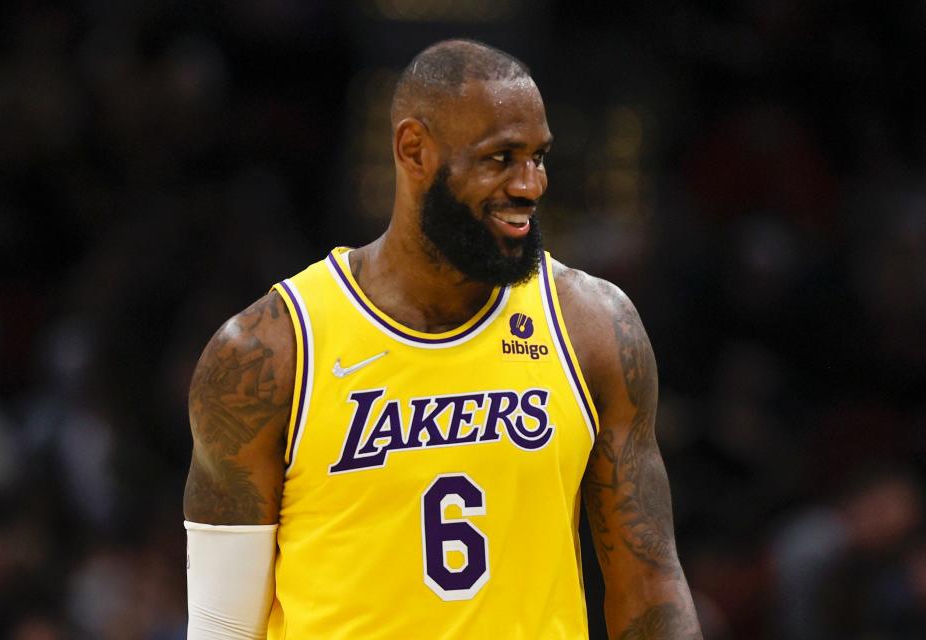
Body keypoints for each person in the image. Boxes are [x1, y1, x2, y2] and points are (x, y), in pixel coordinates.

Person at [183, 39, 702, 640]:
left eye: (538, 157)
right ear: (414, 150)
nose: (530, 185)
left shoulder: (593, 329)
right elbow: (222, 627)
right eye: (500, 158)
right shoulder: (267, 352)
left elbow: (650, 587)